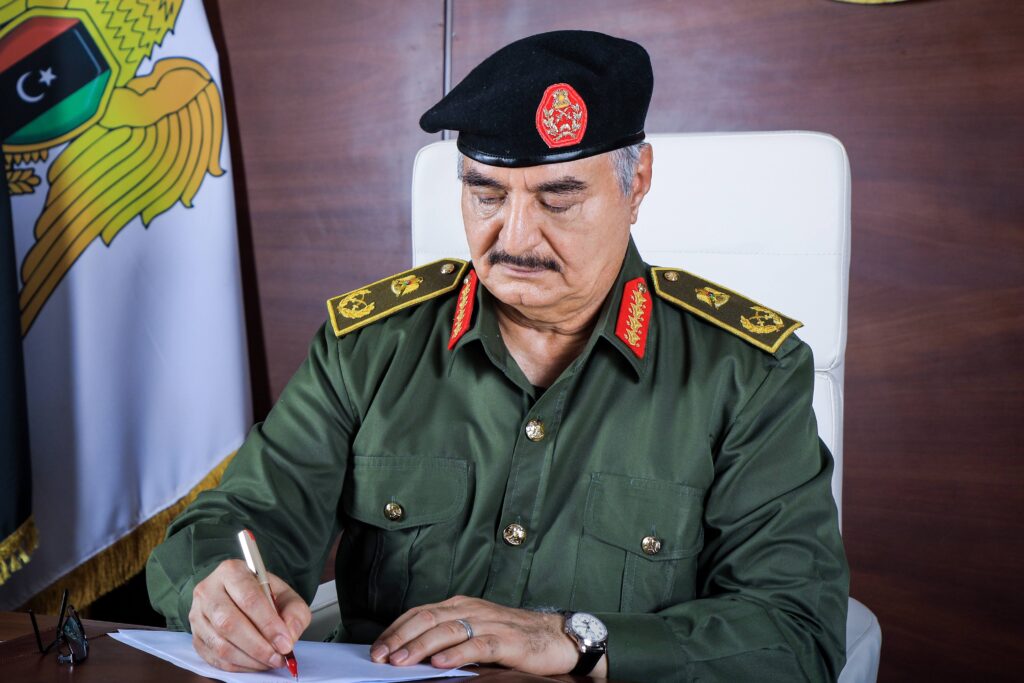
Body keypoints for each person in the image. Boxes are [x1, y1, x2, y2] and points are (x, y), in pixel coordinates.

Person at [147, 30, 848, 682]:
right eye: (485, 193)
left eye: (558, 198)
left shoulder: (747, 375)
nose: (514, 238)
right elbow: (240, 520)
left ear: (636, 183)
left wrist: (573, 638)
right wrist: (218, 590)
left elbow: (795, 633)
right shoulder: (369, 349)